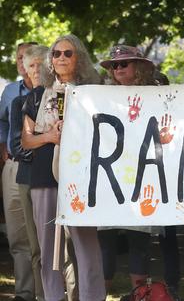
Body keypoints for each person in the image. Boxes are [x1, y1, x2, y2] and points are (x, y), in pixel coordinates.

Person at [22, 34, 105, 301]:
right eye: (56, 53)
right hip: (44, 175)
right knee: (48, 249)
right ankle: (53, 297)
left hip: (80, 177)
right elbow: (26, 139)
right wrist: (49, 136)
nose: (60, 58)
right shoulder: (36, 96)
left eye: (67, 53)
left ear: (78, 58)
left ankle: (92, 297)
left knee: (86, 245)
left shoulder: (94, 92)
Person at [98, 45, 158, 299]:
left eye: (124, 63)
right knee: (105, 243)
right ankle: (100, 295)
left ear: (138, 67)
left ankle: (140, 295)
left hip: (143, 176)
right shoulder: (99, 98)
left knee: (139, 242)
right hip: (108, 178)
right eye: (115, 65)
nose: (118, 68)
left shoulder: (155, 95)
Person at [0, 41, 38, 301]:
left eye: (28, 57)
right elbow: (2, 122)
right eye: (19, 58)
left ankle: (49, 291)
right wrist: (2, 146)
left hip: (42, 169)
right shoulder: (10, 91)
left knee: (43, 235)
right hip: (12, 167)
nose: (22, 62)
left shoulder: (49, 89)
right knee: (17, 236)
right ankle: (25, 293)